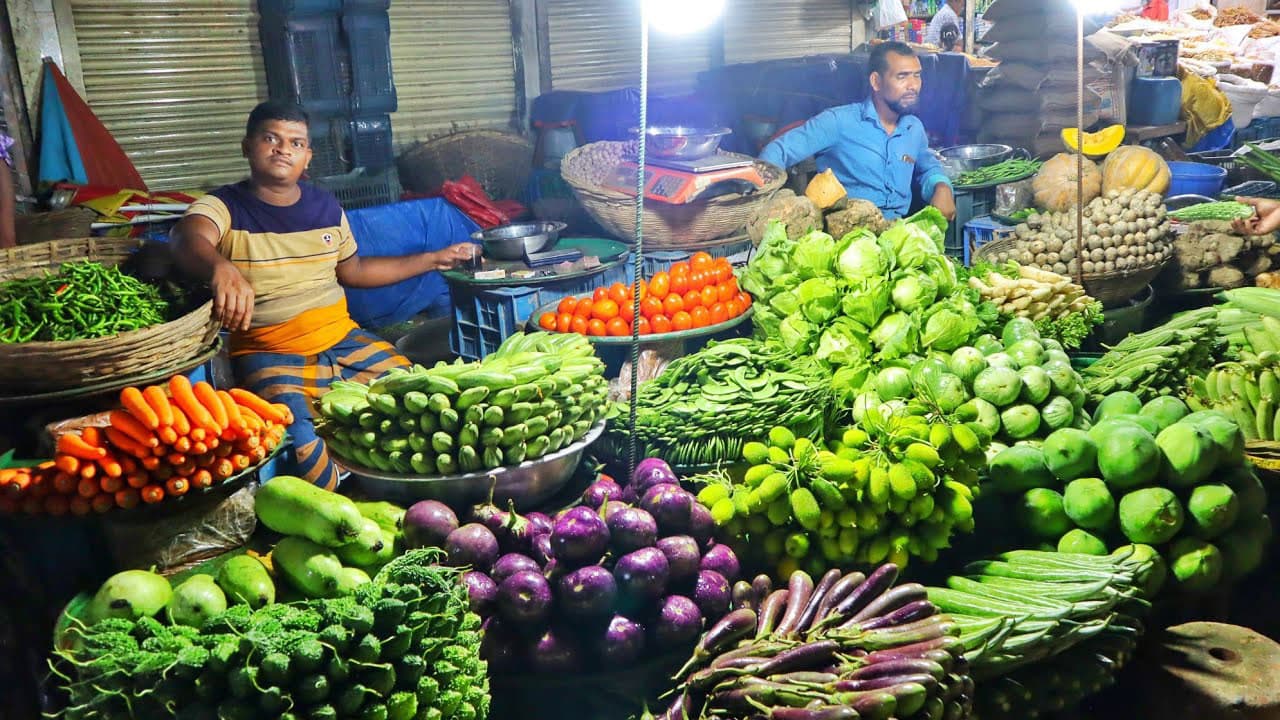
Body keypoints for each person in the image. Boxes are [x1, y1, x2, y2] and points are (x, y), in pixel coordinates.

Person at [172, 100, 477, 489]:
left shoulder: (325, 206)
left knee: (416, 395)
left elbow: (356, 271)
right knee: (302, 443)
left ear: (307, 157)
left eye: (296, 143)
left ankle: (412, 490)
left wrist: (435, 259)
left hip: (343, 337)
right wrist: (221, 267)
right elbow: (187, 237)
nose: (284, 149)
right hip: (270, 349)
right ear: (247, 147)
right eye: (271, 139)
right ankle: (350, 506)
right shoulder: (224, 205)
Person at [758, 42, 956, 222]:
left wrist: (941, 186)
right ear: (876, 82)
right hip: (846, 237)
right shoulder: (838, 122)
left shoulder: (914, 128)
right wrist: (764, 199)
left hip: (897, 235)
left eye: (917, 75)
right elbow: (779, 150)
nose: (913, 85)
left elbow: (928, 167)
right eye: (902, 76)